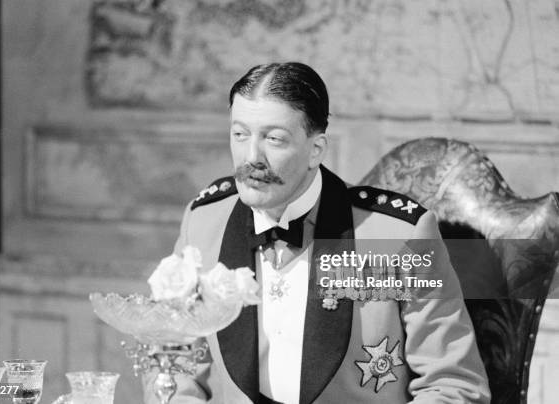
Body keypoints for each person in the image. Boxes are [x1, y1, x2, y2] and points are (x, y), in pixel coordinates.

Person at [144, 62, 490, 404]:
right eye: (240, 134)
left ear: (316, 150)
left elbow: (453, 385)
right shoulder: (204, 220)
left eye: (274, 138)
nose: (251, 157)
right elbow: (172, 359)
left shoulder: (397, 235)